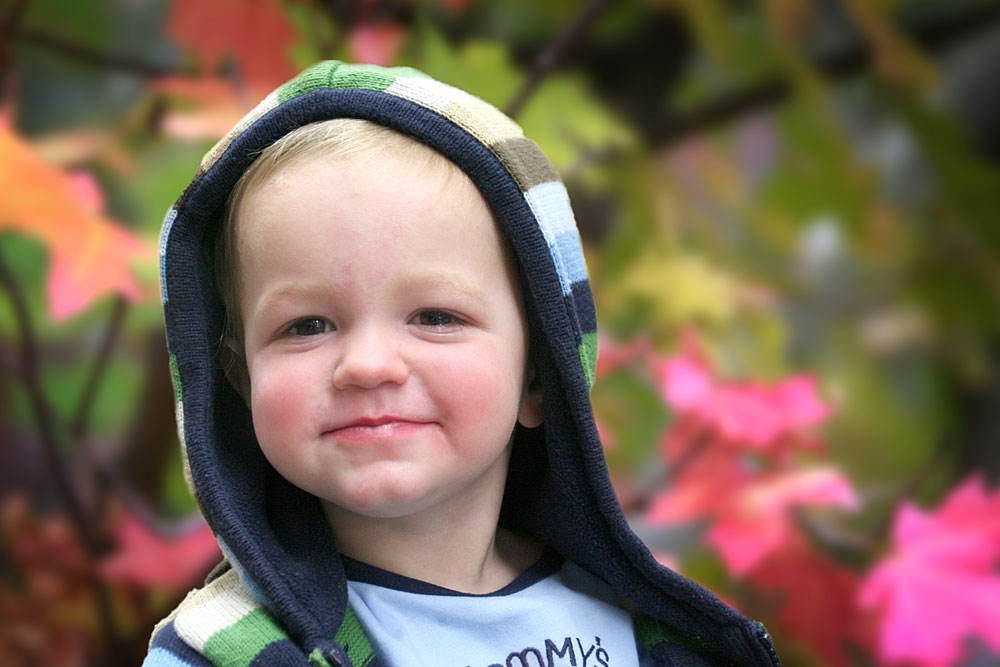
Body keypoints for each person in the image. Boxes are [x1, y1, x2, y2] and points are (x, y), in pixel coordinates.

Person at [145, 60, 779, 667]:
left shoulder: (645, 628)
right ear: (240, 378)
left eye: (436, 317)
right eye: (306, 326)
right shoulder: (227, 649)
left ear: (539, 372)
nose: (367, 365)